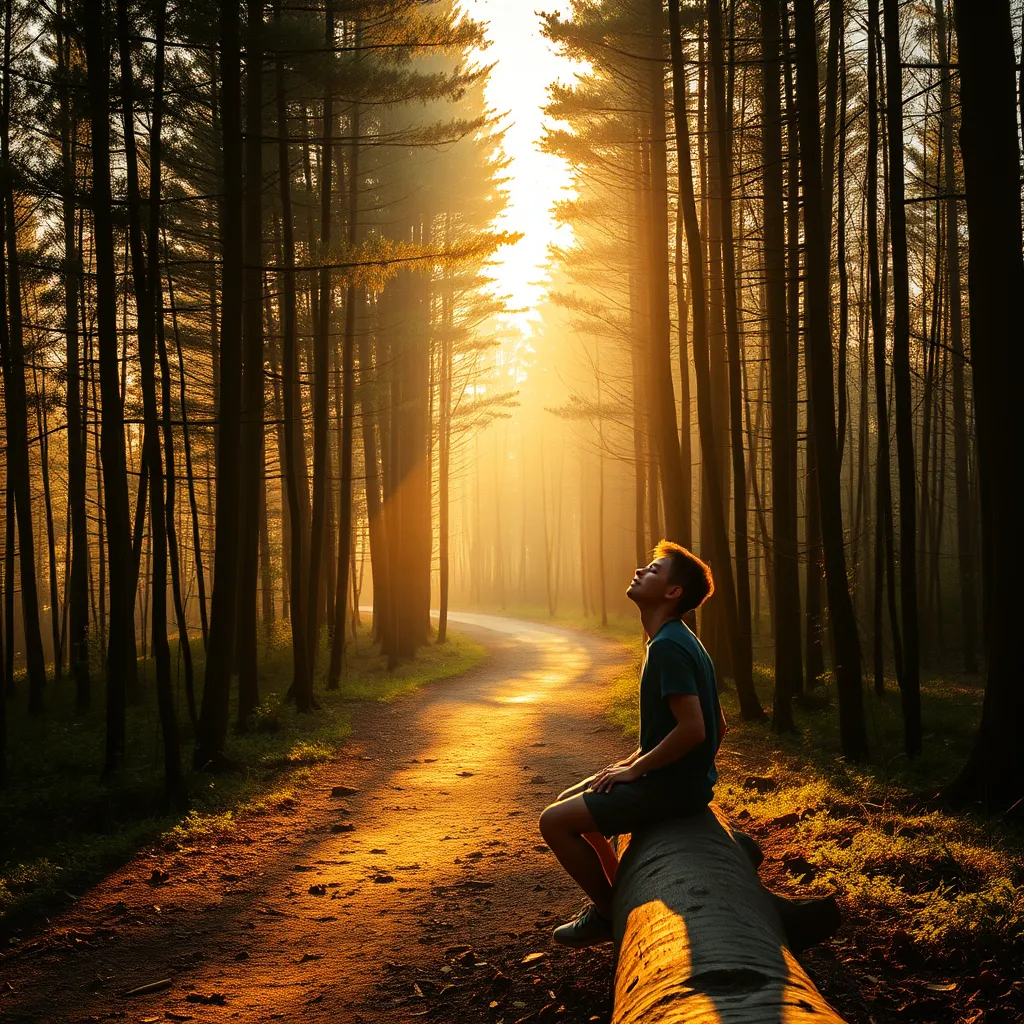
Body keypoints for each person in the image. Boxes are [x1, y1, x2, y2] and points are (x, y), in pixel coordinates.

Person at [538, 539, 727, 948]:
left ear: (673, 592)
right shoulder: (677, 638)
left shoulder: (668, 647)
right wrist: (644, 764)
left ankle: (609, 914)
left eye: (654, 571)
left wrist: (642, 771)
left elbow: (694, 729)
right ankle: (620, 891)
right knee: (572, 797)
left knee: (552, 822)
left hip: (668, 790)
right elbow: (720, 725)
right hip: (678, 785)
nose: (641, 571)